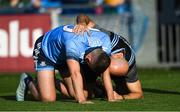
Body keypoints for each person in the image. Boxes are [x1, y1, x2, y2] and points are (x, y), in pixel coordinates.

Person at [16, 24, 116, 103]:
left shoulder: (105, 41)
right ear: (88, 60)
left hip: (64, 54)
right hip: (45, 50)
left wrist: (110, 96)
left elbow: (105, 70)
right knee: (48, 99)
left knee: (81, 93)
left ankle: (49, 81)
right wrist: (81, 100)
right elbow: (75, 73)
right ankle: (28, 80)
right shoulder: (73, 44)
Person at [74, 14, 143, 100]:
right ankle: (96, 85)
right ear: (112, 56)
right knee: (85, 95)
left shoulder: (130, 66)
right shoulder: (103, 36)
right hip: (91, 63)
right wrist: (82, 23)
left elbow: (138, 93)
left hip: (103, 66)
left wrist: (121, 97)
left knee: (123, 91)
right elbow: (82, 16)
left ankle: (100, 87)